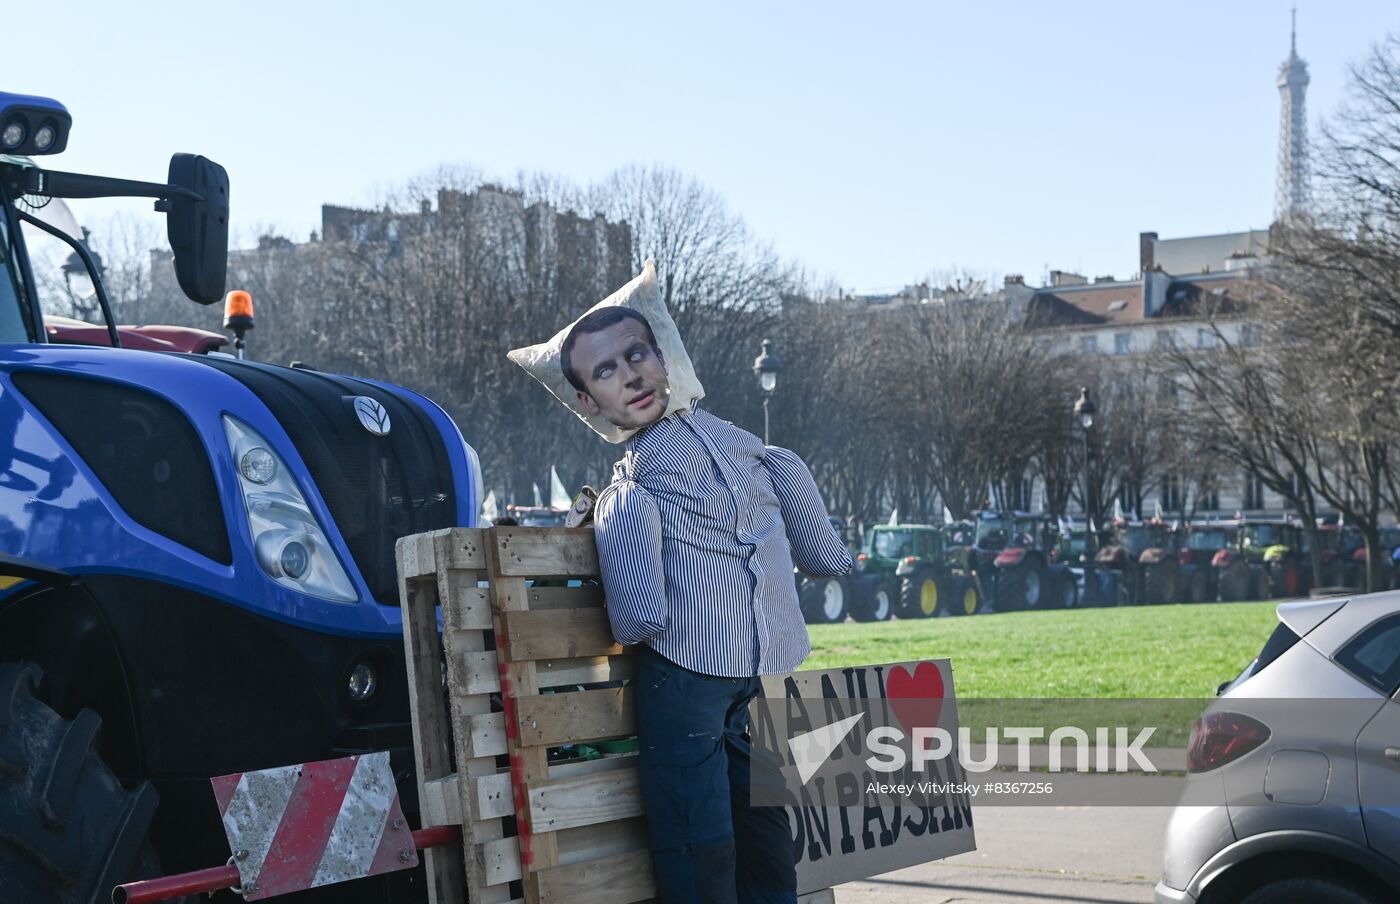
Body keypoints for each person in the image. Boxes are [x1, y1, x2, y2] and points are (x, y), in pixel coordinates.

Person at [563, 307, 853, 904]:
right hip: (761, 674)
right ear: (589, 400)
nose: (630, 377)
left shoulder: (632, 489)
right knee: (764, 828)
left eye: (635, 355)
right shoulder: (760, 454)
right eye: (607, 370)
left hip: (684, 677)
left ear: (662, 359)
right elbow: (828, 557)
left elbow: (637, 618)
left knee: (697, 843)